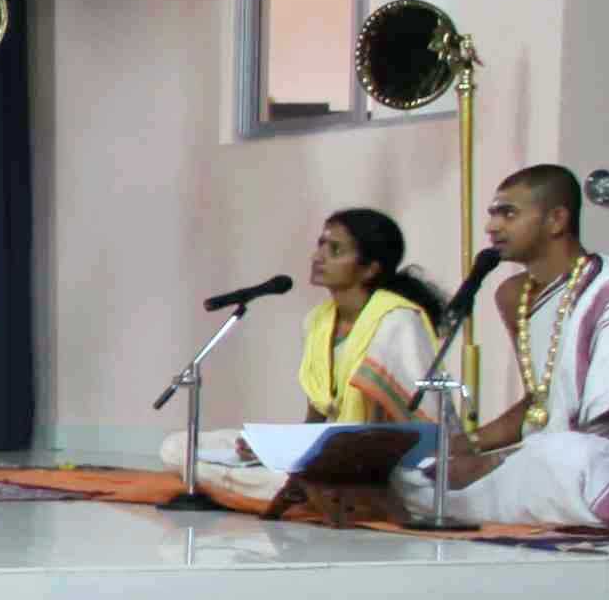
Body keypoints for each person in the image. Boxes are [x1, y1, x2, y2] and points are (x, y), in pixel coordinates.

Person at [414, 164, 609, 530]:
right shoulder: (513, 296)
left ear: (556, 220)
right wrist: (468, 443)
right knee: (421, 474)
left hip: (601, 462)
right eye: (492, 214)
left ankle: (483, 492)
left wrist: (493, 461)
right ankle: (473, 491)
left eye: (508, 213)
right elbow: (541, 402)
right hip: (541, 459)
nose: (492, 226)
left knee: (577, 463)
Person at [167, 207, 446, 497]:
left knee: (413, 487)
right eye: (320, 245)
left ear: (369, 269)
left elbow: (423, 420)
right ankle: (302, 488)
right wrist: (274, 449)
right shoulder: (317, 321)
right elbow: (315, 420)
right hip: (328, 454)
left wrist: (316, 457)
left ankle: (304, 490)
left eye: (335, 250)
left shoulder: (397, 321)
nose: (318, 256)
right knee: (178, 447)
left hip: (386, 462)